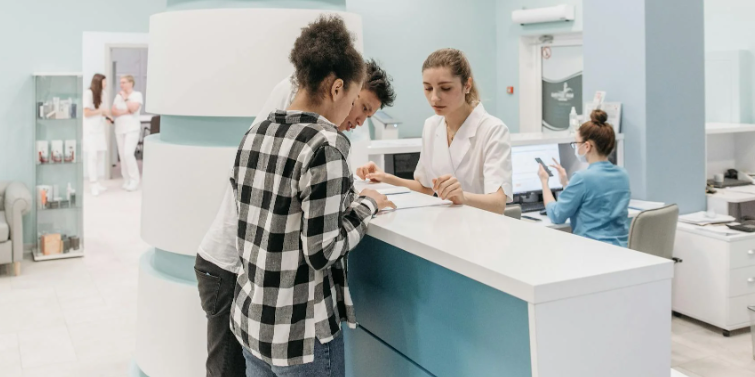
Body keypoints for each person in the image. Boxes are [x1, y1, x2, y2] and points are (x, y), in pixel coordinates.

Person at [194, 52, 396, 377]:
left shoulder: (259, 136)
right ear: (340, 88)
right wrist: (366, 205)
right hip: (235, 274)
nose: (358, 121)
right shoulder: (320, 141)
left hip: (254, 312)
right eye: (362, 107)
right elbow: (321, 249)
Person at [357, 48, 512, 214]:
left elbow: (498, 203)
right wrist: (385, 177)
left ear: (467, 85)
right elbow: (425, 187)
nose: (434, 98)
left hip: (482, 229)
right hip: (443, 227)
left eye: (445, 88)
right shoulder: (431, 126)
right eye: (428, 88)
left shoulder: (493, 130)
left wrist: (463, 197)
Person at [537, 110, 631, 246]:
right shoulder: (623, 175)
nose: (575, 147)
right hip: (619, 252)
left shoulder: (582, 178)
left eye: (576, 143)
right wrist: (566, 183)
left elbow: (557, 216)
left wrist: (544, 182)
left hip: (591, 253)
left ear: (587, 146)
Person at [110, 74, 143, 191]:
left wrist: (125, 98)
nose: (121, 85)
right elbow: (113, 111)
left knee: (128, 154)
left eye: (123, 82)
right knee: (122, 156)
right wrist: (126, 111)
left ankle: (134, 180)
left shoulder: (137, 95)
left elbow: (134, 109)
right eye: (120, 82)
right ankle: (126, 179)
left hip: (132, 129)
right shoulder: (118, 96)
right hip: (120, 129)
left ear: (130, 83)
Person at [83, 74, 111, 196]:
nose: (105, 84)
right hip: (90, 131)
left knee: (99, 157)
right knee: (92, 157)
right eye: (104, 82)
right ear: (98, 82)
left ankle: (97, 182)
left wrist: (108, 117)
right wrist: (102, 112)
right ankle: (93, 184)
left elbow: (103, 112)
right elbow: (87, 113)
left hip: (99, 129)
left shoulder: (103, 94)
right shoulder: (88, 93)